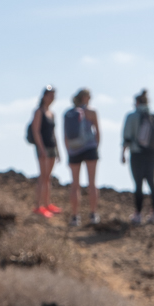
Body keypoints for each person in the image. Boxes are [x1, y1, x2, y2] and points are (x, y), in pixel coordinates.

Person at [121, 88, 154, 224]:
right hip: (152, 154)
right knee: (151, 182)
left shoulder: (132, 116)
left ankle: (138, 214)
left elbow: (127, 137)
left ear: (137, 102)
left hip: (137, 154)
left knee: (138, 184)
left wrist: (123, 153)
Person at [63, 87, 100, 225]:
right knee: (92, 183)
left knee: (75, 185)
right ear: (85, 98)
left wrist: (68, 152)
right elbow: (98, 132)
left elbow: (65, 136)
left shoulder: (68, 114)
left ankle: (75, 216)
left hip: (73, 150)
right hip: (90, 148)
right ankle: (93, 214)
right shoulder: (91, 112)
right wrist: (96, 147)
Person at [28, 85, 60, 216]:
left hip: (52, 147)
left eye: (54, 95)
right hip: (43, 148)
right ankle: (38, 206)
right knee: (43, 176)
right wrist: (41, 149)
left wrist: (58, 150)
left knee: (48, 177)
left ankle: (47, 204)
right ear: (44, 96)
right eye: (50, 95)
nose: (52, 98)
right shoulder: (38, 112)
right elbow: (36, 131)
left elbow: (54, 133)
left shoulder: (51, 113)